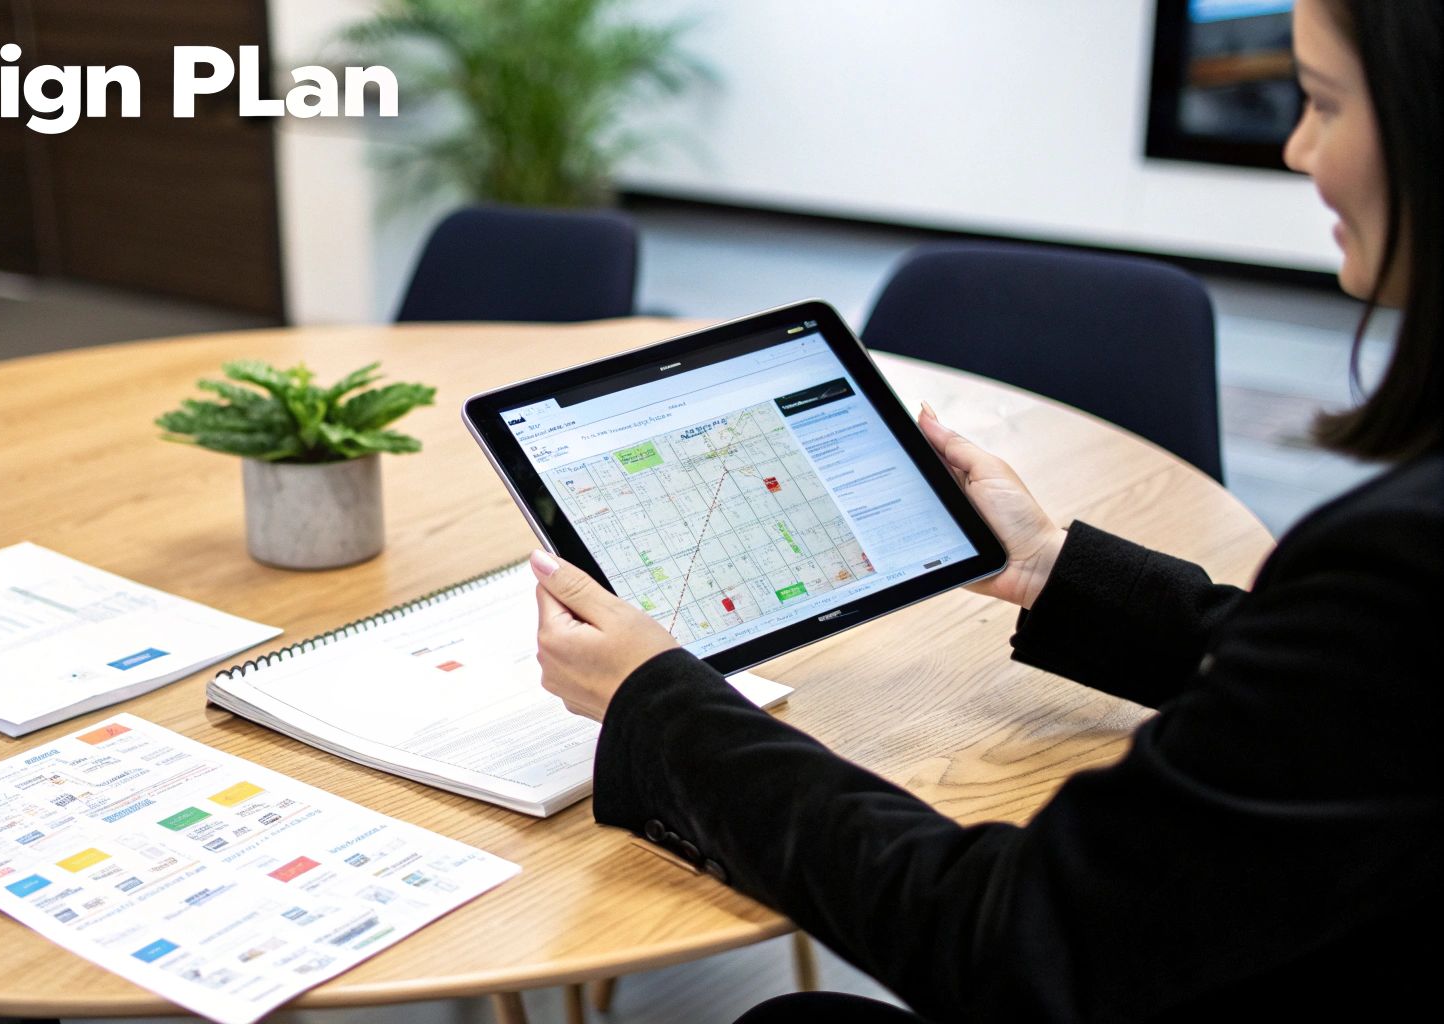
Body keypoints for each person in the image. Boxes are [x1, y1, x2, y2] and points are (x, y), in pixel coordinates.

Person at [528, 0, 1441, 1020]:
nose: (1293, 146)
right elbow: (1325, 696)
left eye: (1319, 101)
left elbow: (1013, 938)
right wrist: (1052, 565)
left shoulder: (1397, 557)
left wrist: (660, 701)